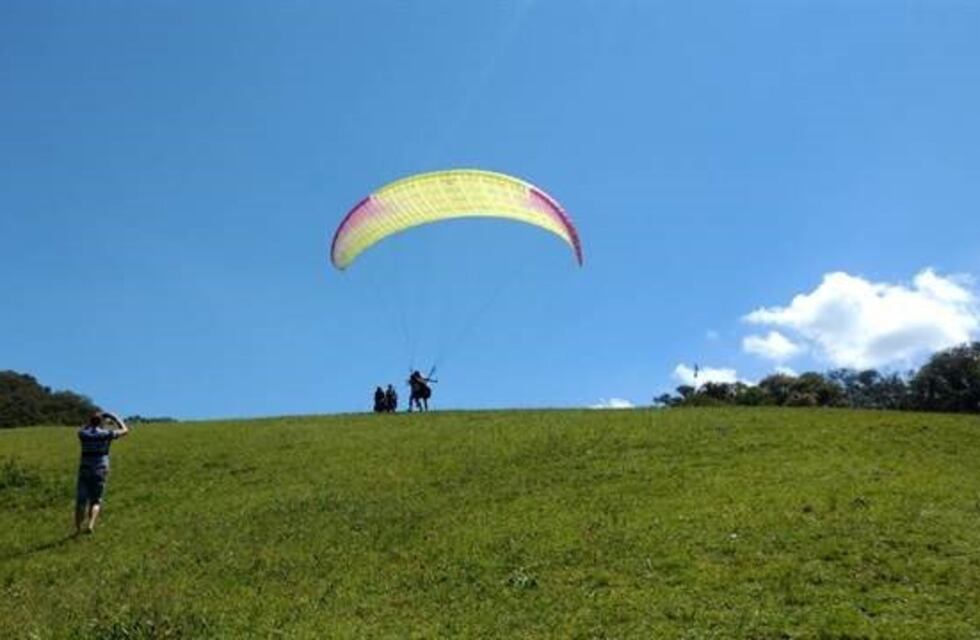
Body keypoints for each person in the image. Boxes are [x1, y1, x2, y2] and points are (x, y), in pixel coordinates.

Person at [75, 411, 129, 535]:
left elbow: (84, 428)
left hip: (85, 468)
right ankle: (91, 524)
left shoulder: (83, 434)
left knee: (81, 501)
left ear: (90, 421)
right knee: (96, 500)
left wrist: (91, 422)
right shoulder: (106, 434)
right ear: (101, 423)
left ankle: (78, 529)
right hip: (100, 468)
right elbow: (125, 430)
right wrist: (115, 418)